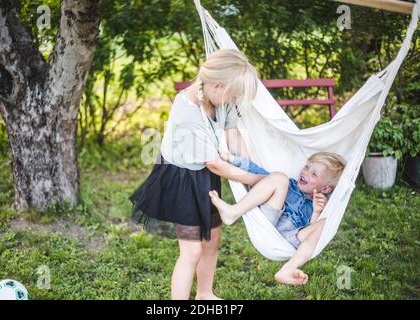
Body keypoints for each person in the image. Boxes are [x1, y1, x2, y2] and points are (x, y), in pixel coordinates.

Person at [130, 49, 262, 299]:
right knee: (191, 252)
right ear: (217, 84)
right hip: (181, 180)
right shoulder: (187, 111)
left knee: (211, 241)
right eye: (233, 94)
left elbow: (233, 136)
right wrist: (256, 181)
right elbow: (215, 164)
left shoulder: (221, 98)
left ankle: (204, 294)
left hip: (205, 177)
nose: (234, 99)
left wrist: (253, 168)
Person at [210, 151, 346, 285]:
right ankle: (234, 211)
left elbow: (312, 235)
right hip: (269, 222)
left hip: (291, 237)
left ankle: (289, 268)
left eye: (314, 174)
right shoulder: (289, 184)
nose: (305, 172)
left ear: (326, 189)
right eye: (306, 167)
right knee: (280, 178)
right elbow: (256, 170)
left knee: (323, 223)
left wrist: (316, 212)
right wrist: (232, 158)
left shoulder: (317, 206)